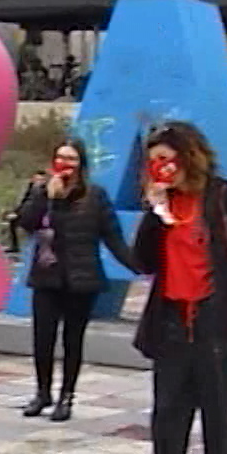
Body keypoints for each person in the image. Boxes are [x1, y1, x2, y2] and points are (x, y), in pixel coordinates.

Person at [125, 121, 227, 454]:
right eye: (153, 161)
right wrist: (155, 212)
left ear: (186, 157)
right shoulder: (162, 206)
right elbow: (142, 262)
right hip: (171, 317)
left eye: (166, 159)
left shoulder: (223, 198)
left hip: (216, 318)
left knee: (217, 406)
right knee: (167, 405)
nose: (160, 168)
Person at [15, 138, 136, 423]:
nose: (65, 164)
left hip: (81, 279)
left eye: (71, 159)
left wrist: (139, 264)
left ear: (81, 164)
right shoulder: (42, 191)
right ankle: (42, 392)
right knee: (42, 338)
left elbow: (113, 238)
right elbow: (25, 222)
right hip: (47, 277)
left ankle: (66, 395)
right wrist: (45, 197)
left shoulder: (95, 196)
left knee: (72, 339)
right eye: (60, 157)